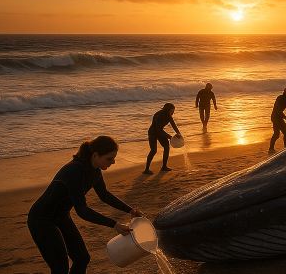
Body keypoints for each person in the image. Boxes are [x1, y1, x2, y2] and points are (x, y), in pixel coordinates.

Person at [28, 136, 143, 273]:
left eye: (113, 158)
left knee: (82, 258)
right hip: (41, 219)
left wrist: (130, 210)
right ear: (95, 155)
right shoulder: (75, 171)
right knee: (60, 267)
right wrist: (114, 225)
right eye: (109, 158)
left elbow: (104, 195)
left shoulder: (94, 170)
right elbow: (82, 210)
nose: (113, 162)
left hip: (61, 216)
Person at [143, 103, 181, 174]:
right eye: (172, 110)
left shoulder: (168, 115)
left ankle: (164, 167)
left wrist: (179, 133)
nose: (173, 112)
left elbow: (173, 124)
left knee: (166, 147)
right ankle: (146, 169)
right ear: (168, 110)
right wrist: (169, 136)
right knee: (153, 150)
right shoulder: (159, 115)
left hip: (160, 132)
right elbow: (158, 129)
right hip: (153, 133)